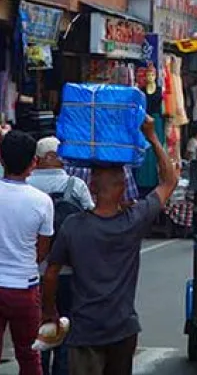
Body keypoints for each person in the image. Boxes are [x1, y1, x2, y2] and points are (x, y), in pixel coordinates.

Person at [41, 117, 178, 375]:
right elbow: (169, 181)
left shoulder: (72, 225)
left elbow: (51, 273)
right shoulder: (133, 221)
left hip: (85, 330)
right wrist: (152, 135)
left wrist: (49, 310)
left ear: (91, 187)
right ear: (122, 188)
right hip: (122, 329)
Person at [28, 137, 95, 375]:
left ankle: (40, 369)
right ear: (54, 157)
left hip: (34, 273)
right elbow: (92, 221)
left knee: (38, 329)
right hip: (69, 271)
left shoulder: (25, 185)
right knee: (66, 327)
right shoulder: (76, 186)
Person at [0, 130, 52, 375]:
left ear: (1, 160)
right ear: (34, 163)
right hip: (25, 287)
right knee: (30, 356)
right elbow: (41, 250)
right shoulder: (42, 201)